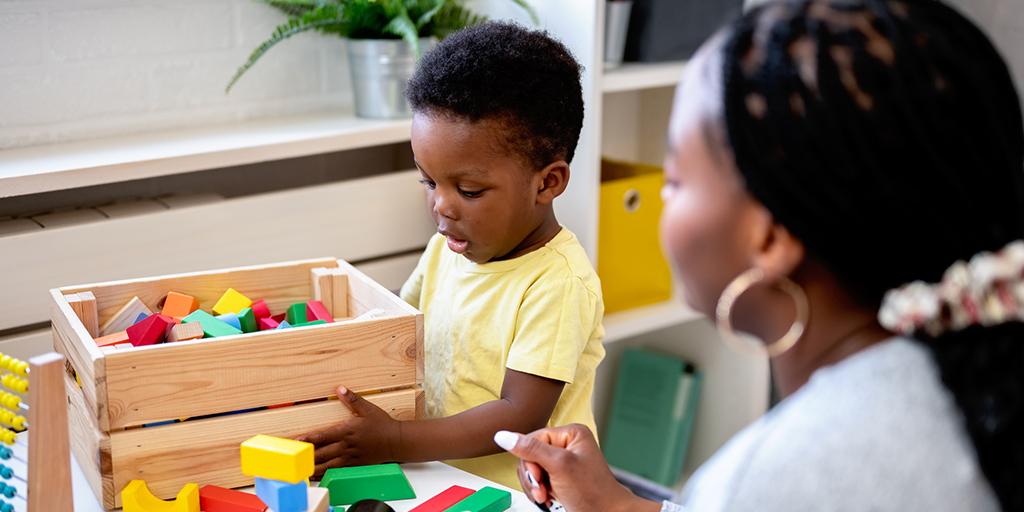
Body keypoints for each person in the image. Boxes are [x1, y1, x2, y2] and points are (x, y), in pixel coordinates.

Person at [494, 0, 1023, 510]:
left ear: (770, 239)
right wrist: (623, 509)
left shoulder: (780, 476)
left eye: (675, 178)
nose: (660, 195)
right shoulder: (978, 382)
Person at [297, 22, 606, 489]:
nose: (441, 204)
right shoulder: (450, 245)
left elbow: (518, 416)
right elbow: (401, 324)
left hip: (519, 494)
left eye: (468, 189)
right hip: (441, 476)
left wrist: (396, 439)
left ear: (547, 182)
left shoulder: (558, 284)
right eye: (429, 181)